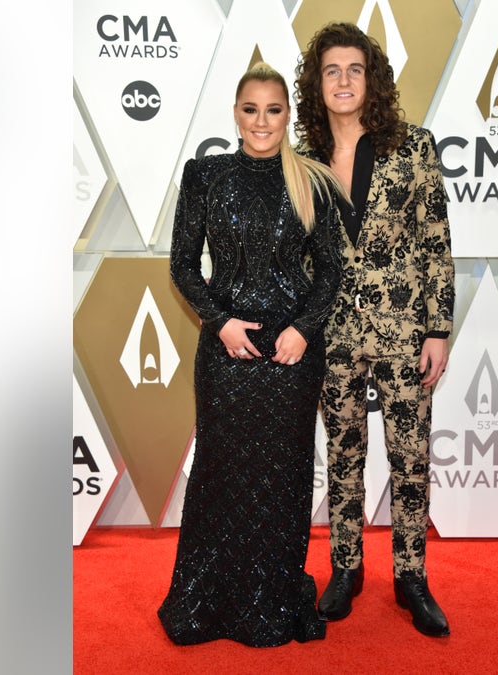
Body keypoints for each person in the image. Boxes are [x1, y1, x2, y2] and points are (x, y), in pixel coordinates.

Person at [157, 62, 347, 647]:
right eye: (250, 109)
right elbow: (183, 265)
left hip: (290, 358)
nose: (261, 121)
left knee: (283, 478)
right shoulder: (206, 176)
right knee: (222, 474)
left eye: (273, 109)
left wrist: (304, 330)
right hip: (227, 353)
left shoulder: (311, 180)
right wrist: (219, 323)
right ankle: (212, 602)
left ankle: (270, 596)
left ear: (287, 114)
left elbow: (333, 270)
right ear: (235, 114)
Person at [293, 22, 456, 637]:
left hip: (405, 331)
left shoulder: (414, 146)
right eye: (331, 70)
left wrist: (438, 329)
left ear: (372, 80)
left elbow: (437, 244)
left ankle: (411, 577)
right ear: (318, 82)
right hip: (330, 334)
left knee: (411, 456)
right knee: (343, 454)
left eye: (354, 69)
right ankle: (346, 567)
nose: (342, 80)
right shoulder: (300, 161)